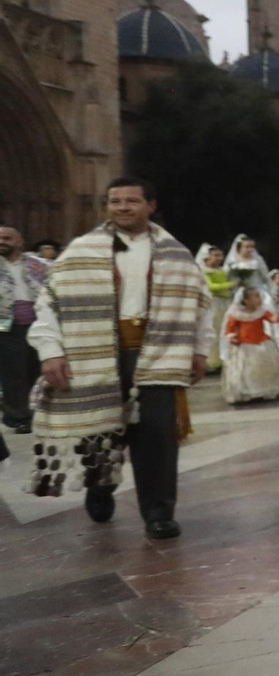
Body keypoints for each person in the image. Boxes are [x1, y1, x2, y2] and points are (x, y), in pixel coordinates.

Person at [26, 176, 207, 538]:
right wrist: (50, 351)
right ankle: (100, 486)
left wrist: (199, 350)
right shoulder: (81, 249)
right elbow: (49, 302)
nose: (122, 207)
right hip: (94, 351)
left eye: (131, 201)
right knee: (101, 428)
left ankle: (158, 513)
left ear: (150, 205)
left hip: (159, 352)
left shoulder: (176, 252)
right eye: (115, 201)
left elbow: (200, 305)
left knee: (158, 435)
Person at [0, 225, 49, 433]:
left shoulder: (40, 265)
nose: (2, 242)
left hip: (38, 323)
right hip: (6, 327)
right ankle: (18, 416)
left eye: (7, 238)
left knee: (36, 370)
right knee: (13, 373)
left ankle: (39, 414)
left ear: (20, 241)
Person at [220, 284, 279, 405]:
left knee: (265, 368)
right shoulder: (236, 314)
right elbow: (229, 329)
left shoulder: (262, 311)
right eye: (256, 297)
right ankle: (249, 391)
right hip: (245, 345)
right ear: (245, 300)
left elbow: (273, 319)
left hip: (262, 342)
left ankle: (266, 389)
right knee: (247, 369)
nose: (259, 299)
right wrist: (231, 336)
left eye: (259, 296)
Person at [198, 243, 231, 372]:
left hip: (225, 302)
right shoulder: (204, 271)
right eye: (215, 255)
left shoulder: (222, 270)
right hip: (213, 304)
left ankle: (226, 358)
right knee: (215, 331)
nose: (218, 258)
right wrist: (230, 284)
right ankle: (213, 361)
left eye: (220, 255)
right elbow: (210, 287)